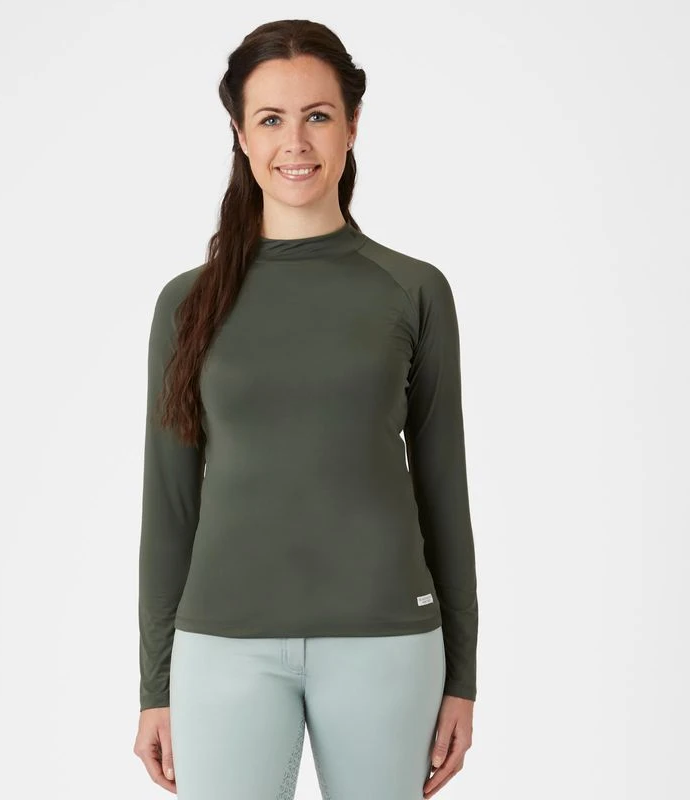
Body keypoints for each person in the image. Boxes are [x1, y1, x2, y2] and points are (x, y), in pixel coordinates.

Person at [132, 19, 478, 800]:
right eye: (270, 119)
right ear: (240, 134)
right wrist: (156, 686)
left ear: (352, 125)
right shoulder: (188, 303)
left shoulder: (413, 290)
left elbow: (443, 489)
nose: (295, 142)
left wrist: (463, 677)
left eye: (318, 115)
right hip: (222, 648)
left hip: (388, 643)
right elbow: (170, 503)